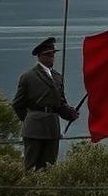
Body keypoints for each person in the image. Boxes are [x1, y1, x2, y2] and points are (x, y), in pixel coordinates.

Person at [12, 36, 78, 170]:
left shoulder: (58, 77)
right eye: (48, 55)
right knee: (31, 166)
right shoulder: (28, 77)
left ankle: (46, 191)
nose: (51, 57)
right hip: (34, 129)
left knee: (49, 167)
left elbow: (60, 103)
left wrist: (69, 113)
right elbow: (18, 104)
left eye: (53, 54)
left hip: (52, 128)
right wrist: (30, 119)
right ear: (39, 56)